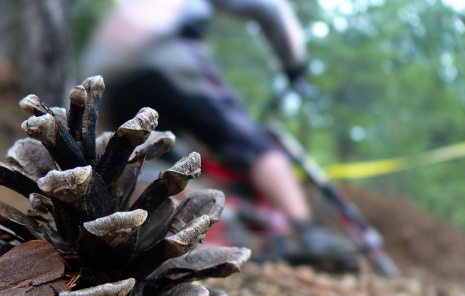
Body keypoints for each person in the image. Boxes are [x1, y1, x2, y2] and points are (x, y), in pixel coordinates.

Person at [81, 0, 357, 267]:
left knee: (148, 160)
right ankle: (308, 232)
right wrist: (294, 65)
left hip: (108, 80)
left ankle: (145, 239)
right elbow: (270, 8)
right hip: (170, 56)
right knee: (253, 145)